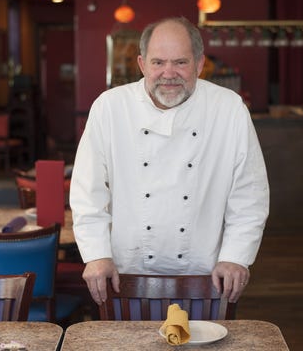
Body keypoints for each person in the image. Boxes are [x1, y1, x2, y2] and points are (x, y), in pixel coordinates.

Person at [70, 16, 269, 306]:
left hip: (206, 276)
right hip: (125, 275)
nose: (168, 73)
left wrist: (236, 257)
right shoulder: (110, 108)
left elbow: (250, 194)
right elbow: (88, 191)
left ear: (200, 64)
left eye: (180, 62)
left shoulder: (228, 109)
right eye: (158, 62)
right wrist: (97, 255)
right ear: (141, 64)